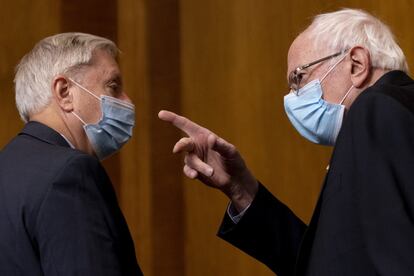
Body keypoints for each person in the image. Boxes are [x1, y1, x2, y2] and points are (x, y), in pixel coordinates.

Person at [159, 8, 414, 276]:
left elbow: (396, 258)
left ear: (357, 64)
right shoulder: (390, 115)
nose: (293, 98)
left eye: (299, 78)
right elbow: (335, 262)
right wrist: (241, 190)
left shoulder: (376, 109)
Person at [0, 33, 142, 275]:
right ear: (64, 92)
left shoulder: (7, 166)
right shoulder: (71, 172)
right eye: (113, 86)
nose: (127, 101)